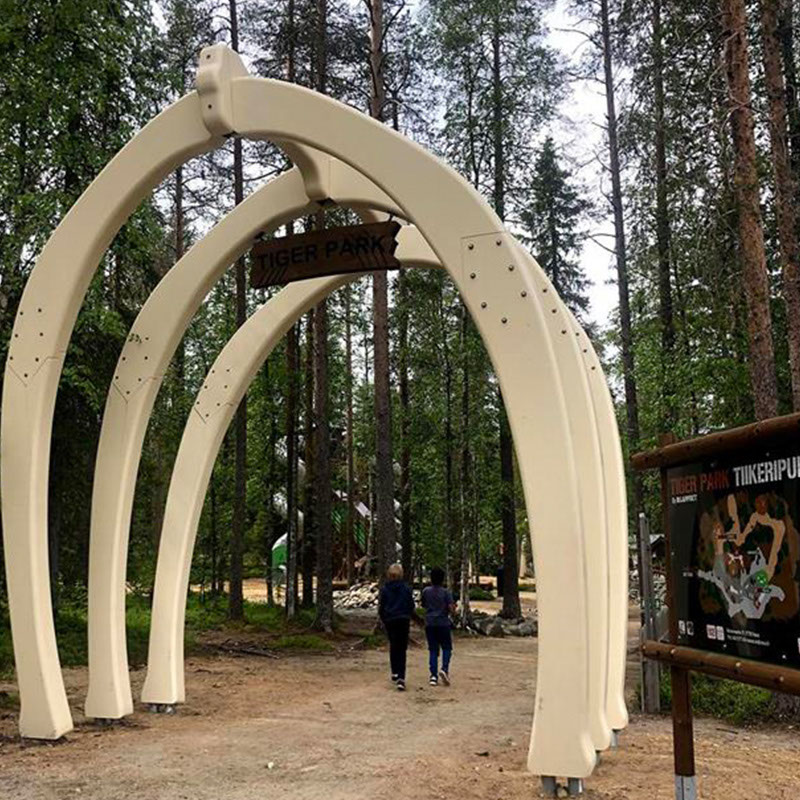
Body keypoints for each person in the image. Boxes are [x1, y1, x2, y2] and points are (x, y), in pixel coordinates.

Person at [378, 563, 415, 691]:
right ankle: (401, 677)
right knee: (402, 648)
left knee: (393, 645)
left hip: (390, 620)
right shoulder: (406, 589)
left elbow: (381, 607)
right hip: (403, 619)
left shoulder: (385, 589)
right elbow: (411, 605)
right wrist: (409, 615)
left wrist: (384, 619)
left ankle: (394, 670)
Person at [421, 566, 455, 686]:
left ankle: (433, 676)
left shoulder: (426, 591)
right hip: (443, 623)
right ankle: (444, 668)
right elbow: (451, 608)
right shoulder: (446, 592)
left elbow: (423, 604)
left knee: (433, 649)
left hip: (430, 623)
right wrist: (452, 613)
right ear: (443, 579)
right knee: (447, 647)